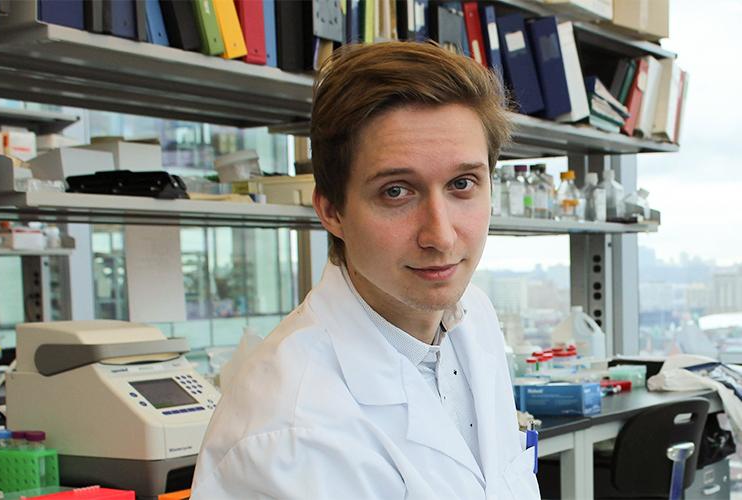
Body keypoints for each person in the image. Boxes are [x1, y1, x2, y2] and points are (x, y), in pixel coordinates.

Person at [191, 41, 540, 499]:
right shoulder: (292, 435)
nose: (441, 236)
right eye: (397, 192)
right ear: (332, 210)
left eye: (462, 184)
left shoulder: (471, 314)